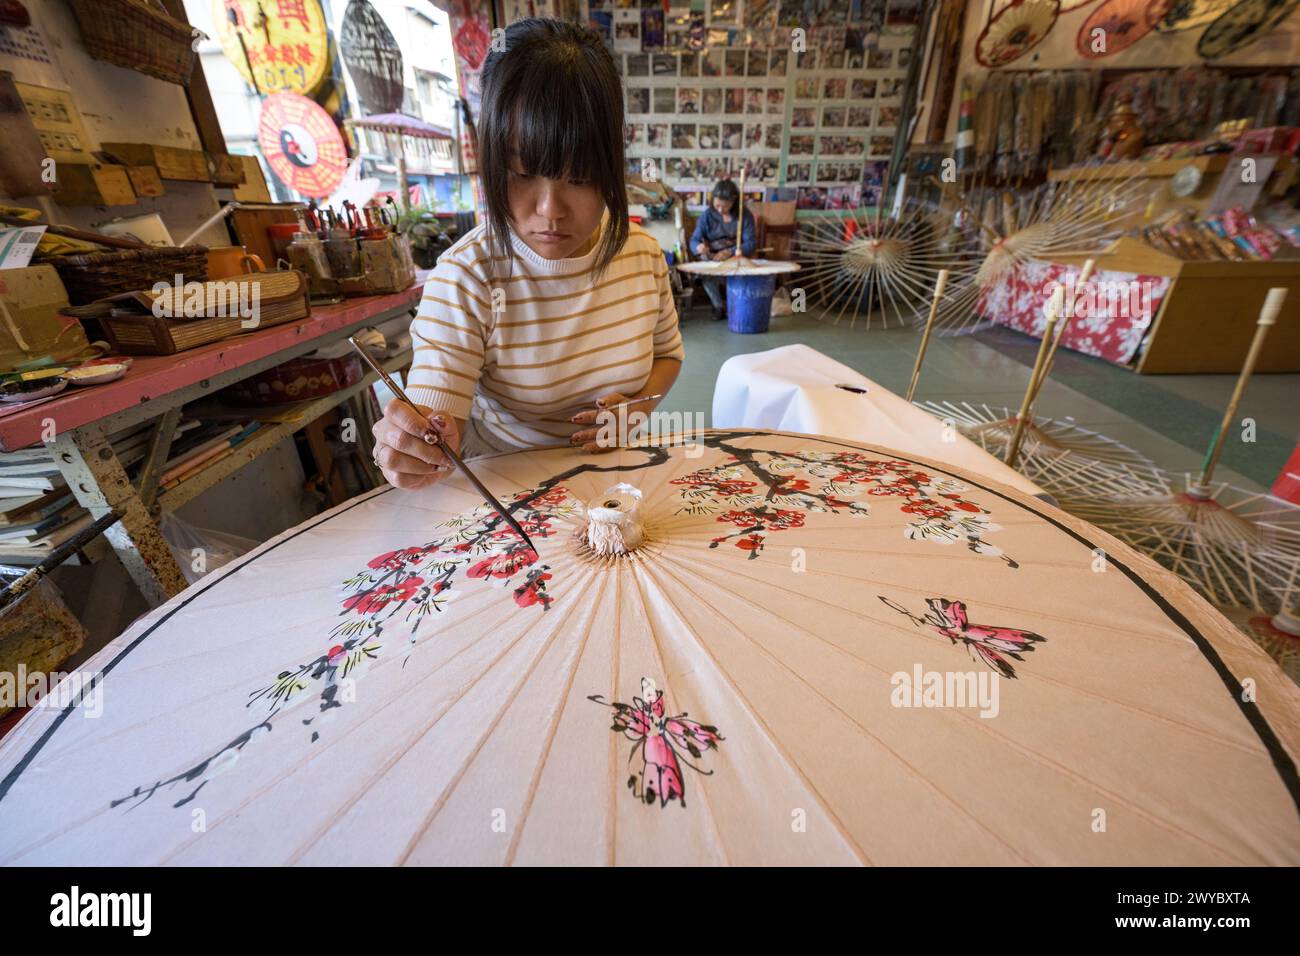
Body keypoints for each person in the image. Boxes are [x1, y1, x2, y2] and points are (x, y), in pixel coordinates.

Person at [370, 18, 684, 490]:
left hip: (620, 482)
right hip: (511, 489)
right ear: (494, 163)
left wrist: (641, 406)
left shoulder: (642, 255)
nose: (550, 211)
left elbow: (668, 356)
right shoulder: (468, 277)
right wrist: (409, 449)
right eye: (521, 173)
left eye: (579, 177)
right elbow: (432, 418)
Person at [689, 179, 756, 320]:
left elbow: (751, 243)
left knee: (738, 274)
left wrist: (731, 252)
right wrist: (698, 247)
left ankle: (736, 305)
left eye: (725, 206)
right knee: (705, 272)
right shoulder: (707, 215)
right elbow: (694, 240)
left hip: (736, 256)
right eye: (717, 204)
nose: (720, 209)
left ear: (734, 202)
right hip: (713, 257)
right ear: (712, 199)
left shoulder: (744, 215)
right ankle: (718, 306)